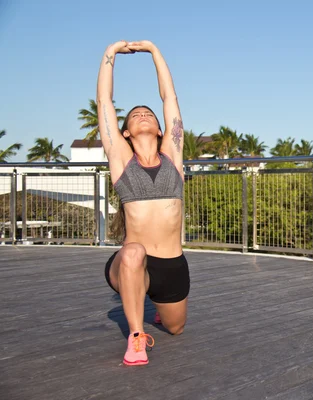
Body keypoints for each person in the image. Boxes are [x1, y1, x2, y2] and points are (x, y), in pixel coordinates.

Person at [97, 40, 189, 366]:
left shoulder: (173, 157)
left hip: (172, 265)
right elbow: (105, 102)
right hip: (133, 262)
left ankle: (158, 308)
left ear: (163, 129)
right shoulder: (122, 160)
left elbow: (170, 98)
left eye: (148, 113)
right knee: (134, 252)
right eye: (135, 115)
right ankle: (136, 337)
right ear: (124, 134)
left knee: (177, 328)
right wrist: (111, 53)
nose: (143, 114)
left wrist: (154, 51)